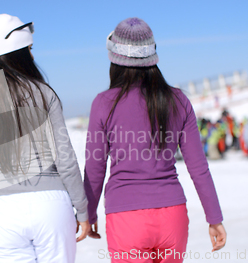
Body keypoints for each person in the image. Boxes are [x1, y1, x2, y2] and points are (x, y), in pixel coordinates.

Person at [0, 14, 90, 263]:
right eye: (29, 49)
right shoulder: (44, 93)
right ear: (20, 51)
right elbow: (65, 158)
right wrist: (82, 209)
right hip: (51, 206)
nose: (32, 56)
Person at [83, 18, 226, 263]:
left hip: (126, 217)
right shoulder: (178, 100)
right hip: (173, 216)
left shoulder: (103, 103)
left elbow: (95, 168)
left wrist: (89, 215)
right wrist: (214, 217)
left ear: (114, 59)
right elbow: (199, 167)